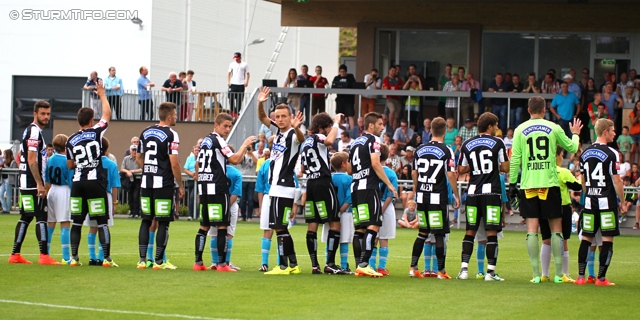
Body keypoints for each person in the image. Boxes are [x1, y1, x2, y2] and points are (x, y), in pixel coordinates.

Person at [509, 96, 582, 283]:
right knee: (556, 229)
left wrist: (511, 184)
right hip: (549, 184)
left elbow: (515, 159)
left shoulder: (519, 130)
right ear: (544, 110)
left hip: (528, 185)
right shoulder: (554, 127)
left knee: (532, 230)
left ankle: (536, 275)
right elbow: (573, 147)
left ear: (528, 110)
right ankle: (558, 274)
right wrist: (575, 133)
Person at [193, 113, 255, 272]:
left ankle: (198, 262)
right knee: (222, 226)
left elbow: (198, 164)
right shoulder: (219, 140)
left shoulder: (205, 140)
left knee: (204, 226)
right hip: (217, 187)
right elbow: (234, 159)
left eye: (229, 126)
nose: (227, 129)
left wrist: (201, 178)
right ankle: (222, 264)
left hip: (204, 187)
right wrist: (244, 145)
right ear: (216, 125)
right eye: (225, 126)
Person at [66, 80, 116, 267]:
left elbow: (70, 164)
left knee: (77, 222)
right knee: (102, 221)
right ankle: (107, 259)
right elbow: (108, 114)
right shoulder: (96, 132)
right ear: (91, 120)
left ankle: (74, 258)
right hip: (95, 181)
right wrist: (102, 94)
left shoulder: (70, 140)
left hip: (78, 182)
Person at [257, 87, 305, 275]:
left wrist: (296, 127)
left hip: (284, 187)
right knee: (279, 227)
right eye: (278, 116)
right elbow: (262, 118)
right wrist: (261, 102)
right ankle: (292, 264)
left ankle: (284, 266)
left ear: (290, 117)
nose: (280, 119)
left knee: (280, 226)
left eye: (284, 116)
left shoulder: (292, 133)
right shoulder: (278, 131)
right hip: (275, 187)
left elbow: (300, 139)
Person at [456, 112, 509, 281]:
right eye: (495, 125)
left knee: (470, 231)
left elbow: (461, 169)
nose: (497, 128)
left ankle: (464, 270)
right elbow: (505, 167)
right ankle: (490, 273)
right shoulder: (498, 142)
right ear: (489, 127)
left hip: (472, 192)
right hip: (491, 192)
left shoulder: (467, 143)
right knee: (491, 233)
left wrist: (475, 167)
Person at [409, 117, 460, 279]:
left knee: (422, 233)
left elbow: (414, 173)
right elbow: (451, 174)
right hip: (437, 198)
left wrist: (418, 188)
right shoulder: (447, 150)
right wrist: (456, 195)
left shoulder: (420, 149)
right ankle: (441, 271)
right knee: (439, 234)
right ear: (445, 132)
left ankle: (413, 268)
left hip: (422, 197)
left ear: (430, 130)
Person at [9, 100, 59, 265]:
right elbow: (31, 159)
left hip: (25, 181)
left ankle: (15, 254)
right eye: (43, 114)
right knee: (41, 216)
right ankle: (44, 255)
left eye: (48, 114)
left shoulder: (29, 131)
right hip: (31, 182)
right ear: (35, 114)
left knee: (26, 216)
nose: (46, 117)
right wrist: (39, 183)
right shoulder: (34, 132)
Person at [135, 102, 184, 270]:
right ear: (169, 117)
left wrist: (149, 170)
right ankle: (158, 262)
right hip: (163, 183)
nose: (177, 117)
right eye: (176, 115)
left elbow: (138, 157)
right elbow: (175, 164)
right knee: (163, 222)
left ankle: (142, 260)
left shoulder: (145, 132)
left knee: (145, 220)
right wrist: (181, 184)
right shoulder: (172, 134)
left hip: (146, 182)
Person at [575, 119, 624, 286]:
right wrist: (623, 201)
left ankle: (581, 276)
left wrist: (589, 194)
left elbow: (583, 180)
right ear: (605, 132)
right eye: (612, 131)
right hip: (606, 202)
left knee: (586, 239)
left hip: (589, 202)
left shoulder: (585, 154)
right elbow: (617, 181)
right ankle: (601, 278)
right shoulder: (612, 153)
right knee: (607, 240)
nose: (614, 133)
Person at [349, 112, 398, 278]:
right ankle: (364, 264)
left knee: (360, 228)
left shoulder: (355, 141)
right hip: (369, 188)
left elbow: (350, 168)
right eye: (380, 124)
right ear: (371, 125)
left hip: (355, 187)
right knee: (374, 225)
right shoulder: (374, 140)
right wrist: (390, 185)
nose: (383, 127)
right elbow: (376, 163)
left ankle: (359, 265)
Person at [300, 112, 344, 274]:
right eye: (328, 128)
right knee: (334, 221)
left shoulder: (305, 143)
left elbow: (303, 168)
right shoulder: (319, 137)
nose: (330, 130)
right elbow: (329, 140)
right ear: (321, 127)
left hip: (310, 183)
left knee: (313, 224)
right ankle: (330, 264)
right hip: (323, 182)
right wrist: (337, 124)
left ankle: (314, 265)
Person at [539, 146, 582, 283]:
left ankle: (545, 274)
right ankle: (564, 273)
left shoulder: (541, 171)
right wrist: (580, 177)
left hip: (543, 206)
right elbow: (577, 186)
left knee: (546, 239)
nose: (562, 157)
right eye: (562, 154)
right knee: (563, 240)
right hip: (562, 207)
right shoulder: (563, 172)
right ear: (556, 156)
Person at [84, 138, 122, 267]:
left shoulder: (90, 163)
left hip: (91, 195)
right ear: (107, 149)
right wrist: (115, 202)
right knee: (103, 226)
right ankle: (102, 257)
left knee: (92, 227)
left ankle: (91, 257)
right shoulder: (111, 164)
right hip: (105, 195)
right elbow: (115, 185)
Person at [368, 143, 398, 276]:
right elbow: (391, 195)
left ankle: (372, 265)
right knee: (384, 238)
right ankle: (382, 267)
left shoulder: (371, 170)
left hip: (372, 204)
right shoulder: (391, 173)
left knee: (374, 236)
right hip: (387, 208)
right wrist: (383, 209)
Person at [208, 162, 243, 271]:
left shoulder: (212, 170)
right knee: (228, 234)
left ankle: (215, 262)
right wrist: (227, 206)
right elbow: (236, 192)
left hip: (215, 203)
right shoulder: (236, 173)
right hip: (231, 205)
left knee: (214, 234)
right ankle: (225, 262)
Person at [44, 134, 74, 264]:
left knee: (50, 223)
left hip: (52, 190)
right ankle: (66, 256)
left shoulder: (50, 159)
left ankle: (46, 253)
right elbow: (71, 179)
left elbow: (46, 177)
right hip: (64, 189)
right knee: (65, 222)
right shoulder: (67, 160)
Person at [332, 64, 357, 129]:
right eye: (340, 71)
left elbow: (354, 86)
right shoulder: (336, 78)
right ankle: (340, 130)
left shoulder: (350, 77)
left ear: (346, 72)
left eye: (343, 71)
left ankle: (352, 131)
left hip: (349, 100)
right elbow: (333, 87)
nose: (342, 73)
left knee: (350, 115)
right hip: (340, 99)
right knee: (340, 115)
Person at [238, 142, 257, 222]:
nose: (249, 149)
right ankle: (243, 215)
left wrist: (251, 154)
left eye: (250, 147)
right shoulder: (243, 156)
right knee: (242, 199)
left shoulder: (254, 155)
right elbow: (239, 161)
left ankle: (249, 216)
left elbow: (257, 162)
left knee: (250, 199)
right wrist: (244, 151)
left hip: (251, 179)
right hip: (243, 179)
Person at [121, 145, 142, 218]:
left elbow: (142, 168)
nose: (134, 152)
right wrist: (127, 171)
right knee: (130, 196)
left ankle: (137, 212)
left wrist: (132, 171)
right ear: (130, 151)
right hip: (129, 179)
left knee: (136, 196)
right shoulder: (126, 158)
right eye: (133, 150)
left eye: (136, 150)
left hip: (138, 179)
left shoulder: (140, 158)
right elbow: (122, 168)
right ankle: (131, 211)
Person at [183, 145, 198, 220]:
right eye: (195, 151)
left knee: (194, 196)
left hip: (199, 180)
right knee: (191, 197)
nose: (197, 152)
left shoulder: (202, 158)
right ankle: (191, 214)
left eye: (198, 151)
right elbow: (185, 169)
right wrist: (192, 174)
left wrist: (197, 175)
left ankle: (195, 214)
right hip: (191, 179)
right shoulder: (189, 158)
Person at [0, 149, 16, 213]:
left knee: (8, 195)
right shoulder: (3, 161)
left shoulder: (13, 162)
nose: (4, 155)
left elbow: (14, 171)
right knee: (0, 194)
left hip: (8, 180)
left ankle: (8, 209)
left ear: (8, 154)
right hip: (3, 180)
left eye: (5, 154)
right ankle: (5, 208)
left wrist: (6, 167)